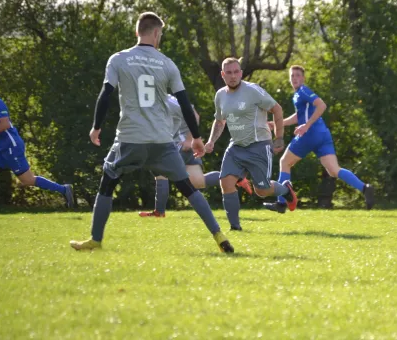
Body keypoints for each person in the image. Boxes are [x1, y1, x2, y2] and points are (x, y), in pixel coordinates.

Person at [69, 12, 233, 253]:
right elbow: (184, 103)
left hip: (130, 137)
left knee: (107, 182)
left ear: (137, 32)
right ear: (156, 33)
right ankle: (220, 237)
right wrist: (197, 138)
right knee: (187, 187)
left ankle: (95, 239)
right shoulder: (167, 63)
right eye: (161, 35)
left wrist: (96, 126)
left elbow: (105, 94)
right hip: (162, 140)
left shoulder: (118, 59)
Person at [263, 65, 375, 213]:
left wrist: (306, 126)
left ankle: (281, 203)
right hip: (322, 134)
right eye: (292, 76)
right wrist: (278, 123)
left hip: (310, 134)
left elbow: (322, 105)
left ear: (303, 78)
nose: (294, 78)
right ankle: (365, 188)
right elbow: (299, 116)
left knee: (285, 162)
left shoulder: (303, 90)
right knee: (334, 170)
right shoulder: (297, 95)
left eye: (297, 75)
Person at [204, 57, 297, 231]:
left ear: (240, 72)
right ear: (223, 75)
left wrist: (279, 137)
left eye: (236, 72)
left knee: (261, 190)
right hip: (236, 146)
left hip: (259, 146)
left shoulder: (253, 90)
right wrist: (211, 141)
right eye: (229, 73)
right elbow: (219, 121)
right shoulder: (220, 95)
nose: (233, 76)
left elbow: (276, 109)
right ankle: (235, 228)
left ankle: (285, 191)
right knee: (226, 182)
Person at [138, 94, 253, 218]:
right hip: (181, 145)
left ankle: (159, 212)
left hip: (180, 144)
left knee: (160, 171)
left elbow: (194, 116)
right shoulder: (163, 98)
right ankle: (237, 177)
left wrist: (189, 139)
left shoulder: (163, 99)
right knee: (198, 181)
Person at [0, 95, 74, 206]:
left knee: (27, 180)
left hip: (11, 146)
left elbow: (5, 124)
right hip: (1, 147)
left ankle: (64, 190)